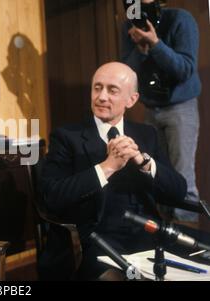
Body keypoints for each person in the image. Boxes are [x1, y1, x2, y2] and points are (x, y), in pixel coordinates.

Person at [39, 62, 187, 280]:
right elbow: (52, 197)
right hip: (95, 241)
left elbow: (178, 191)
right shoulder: (66, 137)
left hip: (147, 236)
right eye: (97, 88)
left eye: (112, 90)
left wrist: (143, 161)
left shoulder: (147, 134)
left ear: (132, 99)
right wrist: (107, 167)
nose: (101, 97)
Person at [121, 0, 201, 222]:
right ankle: (164, 237)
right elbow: (126, 71)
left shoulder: (180, 20)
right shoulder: (129, 25)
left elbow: (185, 69)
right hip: (149, 108)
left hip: (180, 107)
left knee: (183, 178)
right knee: (154, 173)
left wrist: (156, 44)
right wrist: (140, 49)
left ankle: (188, 244)